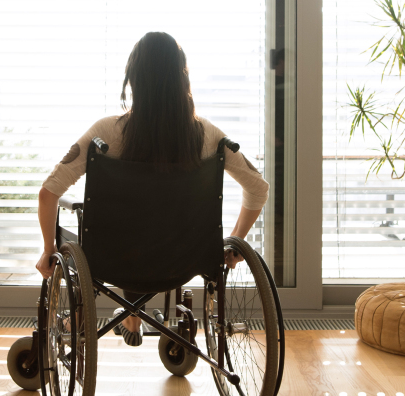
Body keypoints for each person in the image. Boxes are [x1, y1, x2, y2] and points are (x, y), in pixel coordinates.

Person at [35, 32, 269, 347]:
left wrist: (49, 250)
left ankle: (94, 316)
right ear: (183, 79)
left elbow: (48, 193)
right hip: (184, 259)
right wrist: (234, 244)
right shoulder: (209, 137)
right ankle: (133, 316)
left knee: (104, 230)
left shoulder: (106, 134)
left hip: (116, 259)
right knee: (150, 227)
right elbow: (258, 187)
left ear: (133, 80)